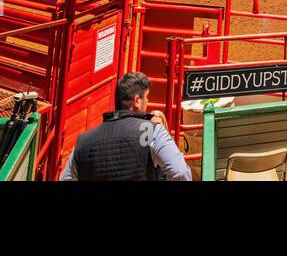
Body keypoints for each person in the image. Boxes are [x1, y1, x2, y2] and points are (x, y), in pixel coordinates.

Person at [60, 71, 191, 181]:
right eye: (146, 97)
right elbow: (181, 173)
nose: (148, 102)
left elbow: (66, 178)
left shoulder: (84, 141)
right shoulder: (149, 130)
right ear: (137, 101)